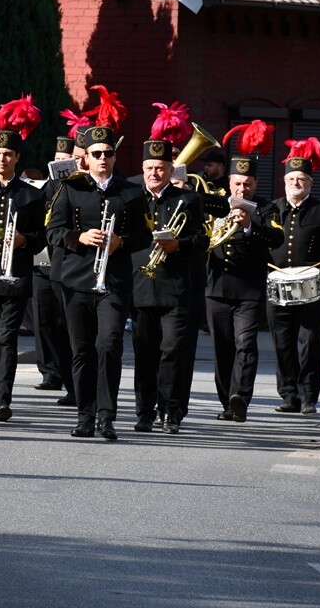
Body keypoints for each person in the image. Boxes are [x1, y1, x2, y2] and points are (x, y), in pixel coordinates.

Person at [47, 126, 146, 440]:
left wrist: (121, 241)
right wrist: (80, 237)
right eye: (97, 154)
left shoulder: (130, 191)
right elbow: (52, 232)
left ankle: (107, 417)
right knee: (82, 351)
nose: (104, 158)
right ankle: (84, 416)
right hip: (77, 280)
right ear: (85, 158)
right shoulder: (70, 188)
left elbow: (144, 235)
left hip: (114, 282)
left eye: (109, 153)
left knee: (109, 345)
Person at [131, 138, 204, 433]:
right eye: (149, 168)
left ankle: (171, 411)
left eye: (160, 168)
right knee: (144, 353)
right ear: (143, 168)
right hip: (140, 286)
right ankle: (145, 412)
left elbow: (202, 240)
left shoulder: (188, 200)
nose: (154, 173)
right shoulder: (132, 197)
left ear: (171, 169)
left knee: (172, 349)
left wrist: (178, 245)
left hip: (175, 288)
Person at [206, 154, 283, 423]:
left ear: (255, 184)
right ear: (229, 182)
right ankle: (227, 400)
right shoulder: (214, 204)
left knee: (246, 344)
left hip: (249, 289)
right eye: (238, 183)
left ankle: (241, 398)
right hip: (216, 287)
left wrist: (250, 224)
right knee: (222, 348)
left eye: (248, 184)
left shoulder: (266, 208)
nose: (242, 189)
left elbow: (276, 237)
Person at [268, 143, 320, 414]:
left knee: (310, 340)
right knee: (282, 341)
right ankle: (289, 396)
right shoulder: (272, 210)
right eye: (291, 179)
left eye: (301, 179)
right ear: (284, 182)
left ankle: (308, 396)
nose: (295, 182)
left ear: (309, 183)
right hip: (277, 285)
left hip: (310, 285)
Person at [0, 128, 46, 422]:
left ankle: (3, 399)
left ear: (17, 157)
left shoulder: (31, 194)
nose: (2, 158)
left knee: (7, 339)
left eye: (7, 154)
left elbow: (42, 238)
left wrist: (24, 241)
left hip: (16, 276)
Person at [33, 135, 77, 399]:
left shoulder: (76, 186)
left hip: (66, 260)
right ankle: (50, 372)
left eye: (65, 161)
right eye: (57, 160)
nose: (60, 165)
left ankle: (70, 380)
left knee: (65, 323)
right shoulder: (48, 187)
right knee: (44, 319)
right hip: (43, 260)